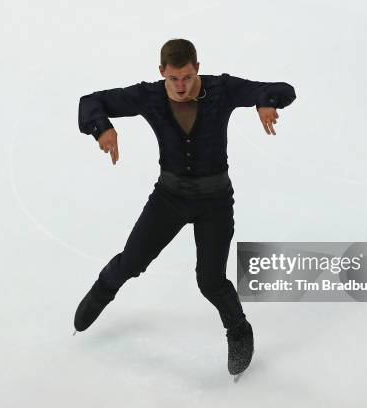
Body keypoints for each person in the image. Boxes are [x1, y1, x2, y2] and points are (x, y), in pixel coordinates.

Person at [74, 38, 296, 377]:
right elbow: (91, 101)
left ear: (197, 69)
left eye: (188, 77)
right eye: (174, 78)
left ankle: (239, 330)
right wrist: (102, 127)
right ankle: (103, 289)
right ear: (162, 72)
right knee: (131, 262)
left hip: (215, 203)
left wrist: (265, 102)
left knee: (210, 281)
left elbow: (281, 88)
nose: (181, 86)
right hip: (169, 198)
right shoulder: (149, 95)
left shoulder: (221, 89)